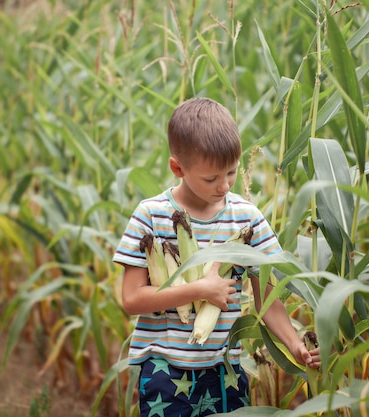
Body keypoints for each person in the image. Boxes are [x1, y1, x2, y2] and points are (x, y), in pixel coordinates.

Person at [113, 97, 320, 417]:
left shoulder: (246, 219)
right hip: (165, 371)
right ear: (177, 168)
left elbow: (267, 295)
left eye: (232, 173)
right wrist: (200, 290)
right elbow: (130, 298)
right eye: (211, 179)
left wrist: (294, 345)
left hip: (226, 370)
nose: (223, 186)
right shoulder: (150, 216)